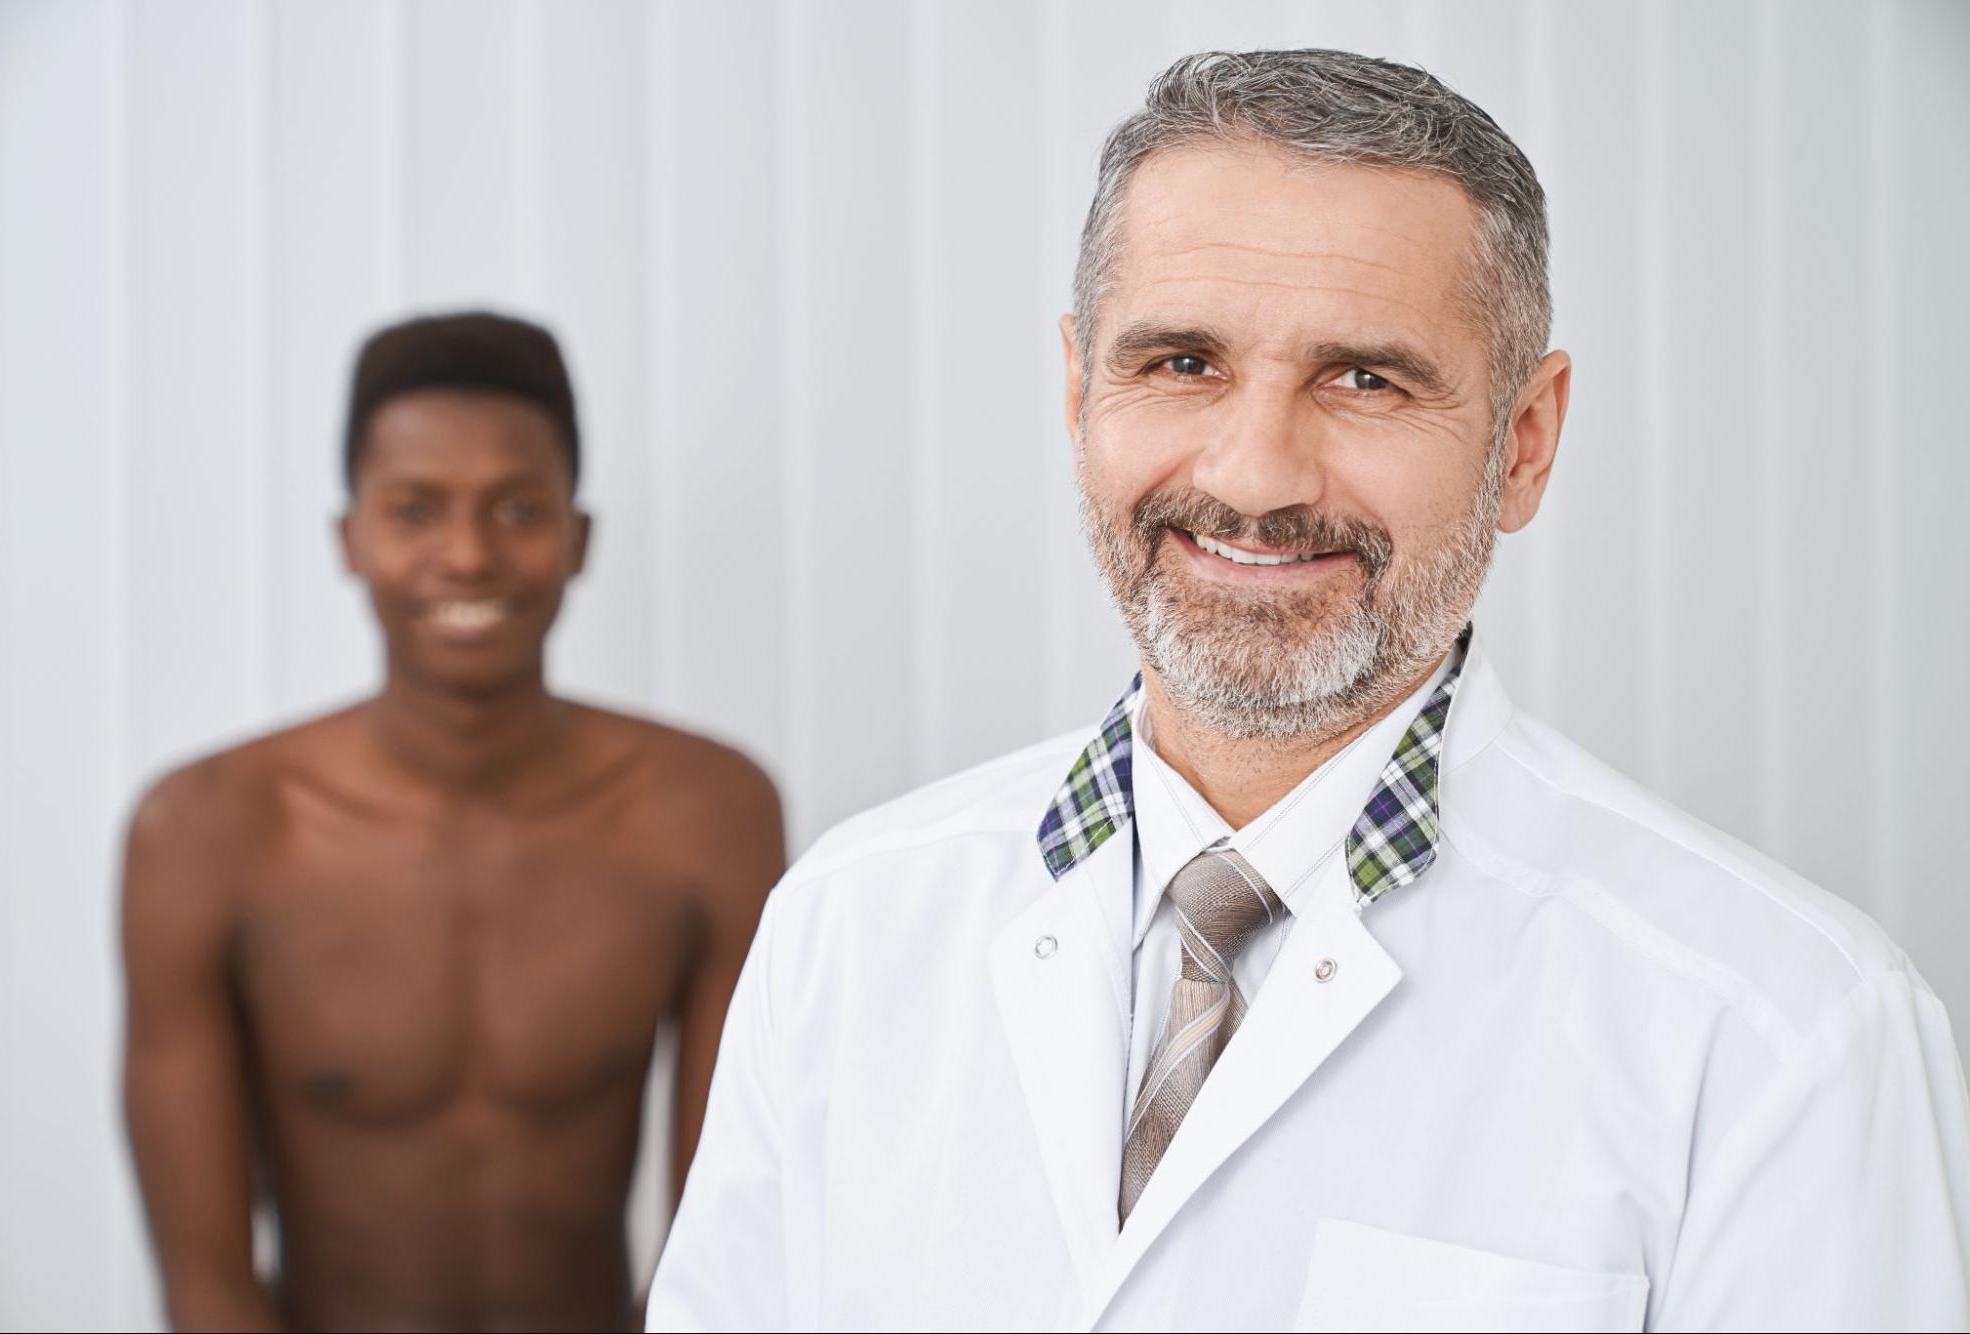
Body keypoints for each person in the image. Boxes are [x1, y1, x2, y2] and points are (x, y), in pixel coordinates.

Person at [648, 50, 1970, 1332]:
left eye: (1364, 378)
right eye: (1179, 362)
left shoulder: (1784, 1032)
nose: (1254, 475)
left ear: (1523, 441)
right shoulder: (847, 921)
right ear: (1075, 390)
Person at [121, 312, 784, 1332]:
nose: (468, 554)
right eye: (416, 508)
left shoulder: (705, 814)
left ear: (578, 536)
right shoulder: (208, 830)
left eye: (518, 508)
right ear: (351, 538)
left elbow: (729, 1235)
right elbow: (205, 1281)